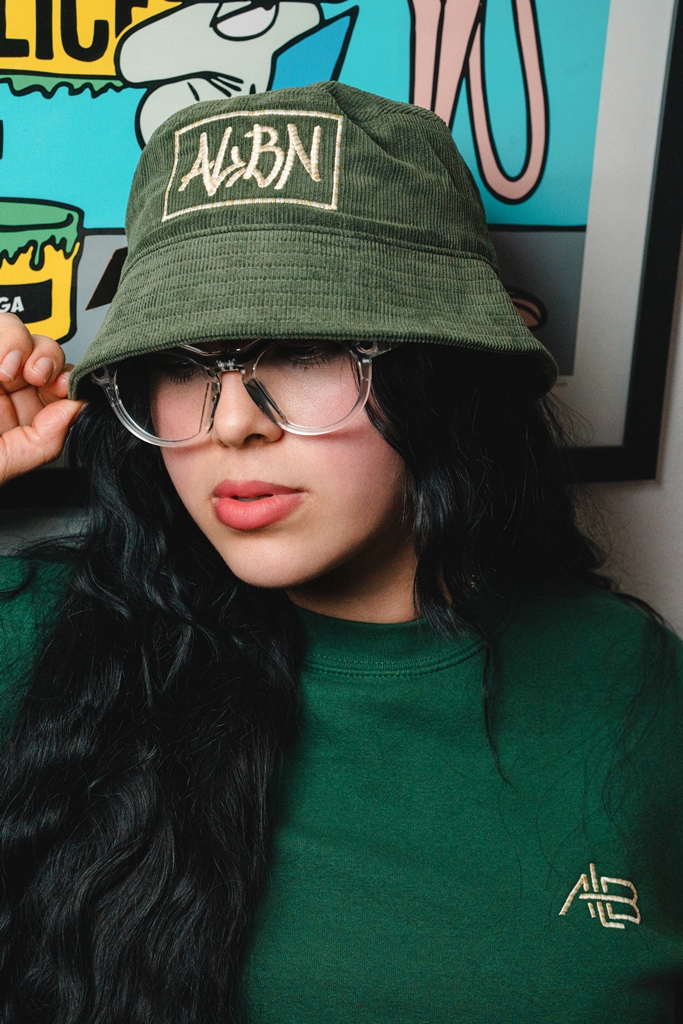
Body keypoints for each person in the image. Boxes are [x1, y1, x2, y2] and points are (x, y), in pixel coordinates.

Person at [0, 82, 679, 1024]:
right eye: (183, 364)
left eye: (306, 350)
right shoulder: (43, 641)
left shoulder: (628, 680)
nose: (231, 423)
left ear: (442, 372)